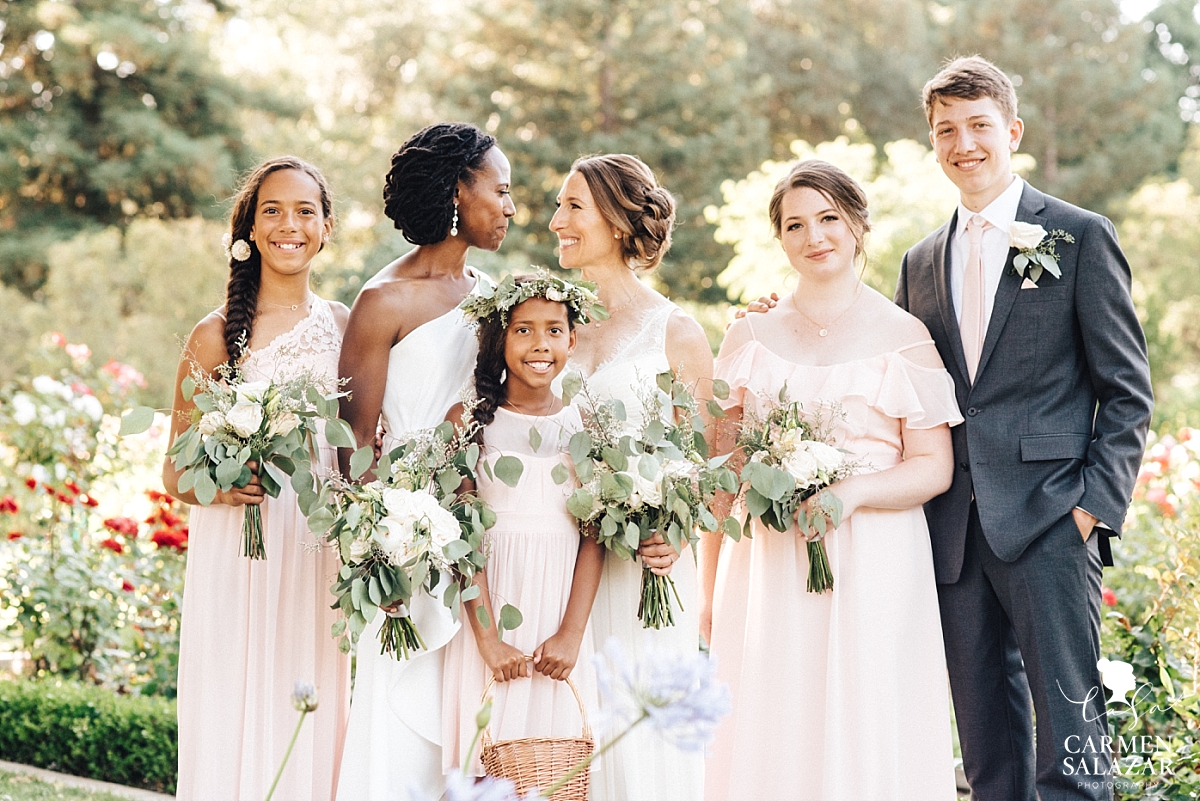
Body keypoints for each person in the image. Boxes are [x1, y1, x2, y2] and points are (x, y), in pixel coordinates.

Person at [895, 57, 1153, 801]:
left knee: (1072, 748)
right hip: (955, 535)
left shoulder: (1078, 236)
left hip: (1050, 521)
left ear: (1011, 130)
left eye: (978, 125)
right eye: (946, 130)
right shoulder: (918, 262)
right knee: (987, 753)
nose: (963, 143)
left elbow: (1127, 391)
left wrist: (1089, 509)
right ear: (933, 143)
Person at [702, 160, 961, 800]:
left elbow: (935, 466)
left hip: (874, 559)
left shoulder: (904, 336)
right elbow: (724, 471)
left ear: (857, 225)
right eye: (796, 224)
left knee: (865, 714)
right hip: (768, 560)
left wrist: (854, 492)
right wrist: (706, 591)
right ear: (781, 238)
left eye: (828, 219)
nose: (814, 236)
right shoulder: (748, 334)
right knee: (771, 710)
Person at [334, 123, 515, 801]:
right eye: (499, 189)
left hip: (485, 516)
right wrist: (389, 538)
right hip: (408, 530)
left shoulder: (493, 293)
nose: (510, 205)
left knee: (469, 709)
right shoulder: (384, 302)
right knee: (403, 711)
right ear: (455, 190)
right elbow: (352, 447)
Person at [167, 156, 352, 801]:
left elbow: (360, 447)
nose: (289, 225)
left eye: (305, 211)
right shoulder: (215, 336)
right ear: (248, 227)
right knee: (234, 695)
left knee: (310, 696)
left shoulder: (345, 326)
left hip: (315, 549)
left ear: (326, 228)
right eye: (271, 210)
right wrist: (223, 485)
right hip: (238, 549)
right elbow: (174, 472)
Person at [548, 153, 713, 801]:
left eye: (572, 207)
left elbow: (702, 461)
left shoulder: (676, 331)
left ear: (617, 222)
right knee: (566, 738)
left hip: (644, 567)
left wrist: (674, 525)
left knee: (640, 744)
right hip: (556, 561)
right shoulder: (550, 322)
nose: (555, 219)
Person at [441, 274, 604, 776]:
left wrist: (571, 634)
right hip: (489, 611)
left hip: (558, 611)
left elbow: (595, 538)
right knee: (484, 758)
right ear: (499, 339)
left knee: (553, 767)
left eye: (554, 330)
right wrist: (488, 640)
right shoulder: (467, 421)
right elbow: (462, 538)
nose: (540, 345)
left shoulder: (585, 425)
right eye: (523, 330)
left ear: (572, 340)